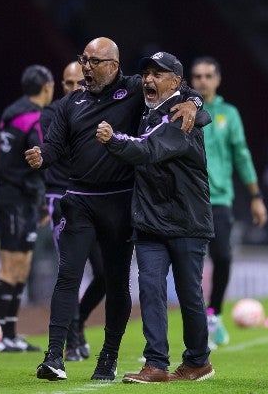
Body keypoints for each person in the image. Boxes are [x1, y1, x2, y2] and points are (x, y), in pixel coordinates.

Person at [25, 37, 202, 382]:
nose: (86, 68)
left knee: (115, 281)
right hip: (78, 200)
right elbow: (55, 148)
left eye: (94, 62)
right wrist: (42, 156)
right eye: (84, 60)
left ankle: (108, 358)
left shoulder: (135, 89)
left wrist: (194, 102)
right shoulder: (69, 104)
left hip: (120, 203)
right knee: (68, 275)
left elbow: (178, 91)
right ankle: (53, 356)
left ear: (114, 66)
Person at [96, 51, 215, 383]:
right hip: (149, 220)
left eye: (158, 74)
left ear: (175, 82)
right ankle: (156, 364)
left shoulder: (182, 116)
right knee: (149, 288)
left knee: (189, 293)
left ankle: (197, 361)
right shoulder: (152, 107)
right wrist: (197, 100)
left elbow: (148, 150)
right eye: (146, 73)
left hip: (187, 220)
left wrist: (113, 140)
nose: (149, 79)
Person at [190, 56, 268, 348]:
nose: (203, 81)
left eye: (208, 75)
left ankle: (214, 314)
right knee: (191, 265)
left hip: (219, 198)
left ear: (218, 80)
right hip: (189, 200)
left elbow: (242, 155)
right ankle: (199, 325)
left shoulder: (228, 114)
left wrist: (256, 197)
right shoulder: (182, 110)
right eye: (197, 76)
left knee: (222, 257)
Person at [41, 61, 106, 362]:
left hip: (94, 199)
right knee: (71, 273)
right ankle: (72, 340)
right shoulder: (53, 115)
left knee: (105, 274)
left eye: (78, 83)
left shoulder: (99, 108)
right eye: (67, 83)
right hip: (61, 197)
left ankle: (78, 321)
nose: (73, 88)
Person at [0, 64, 54, 352]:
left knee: (22, 266)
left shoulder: (10, 112)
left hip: (19, 197)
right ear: (47, 88)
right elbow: (38, 159)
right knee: (10, 265)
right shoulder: (33, 118)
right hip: (15, 197)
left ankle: (10, 334)